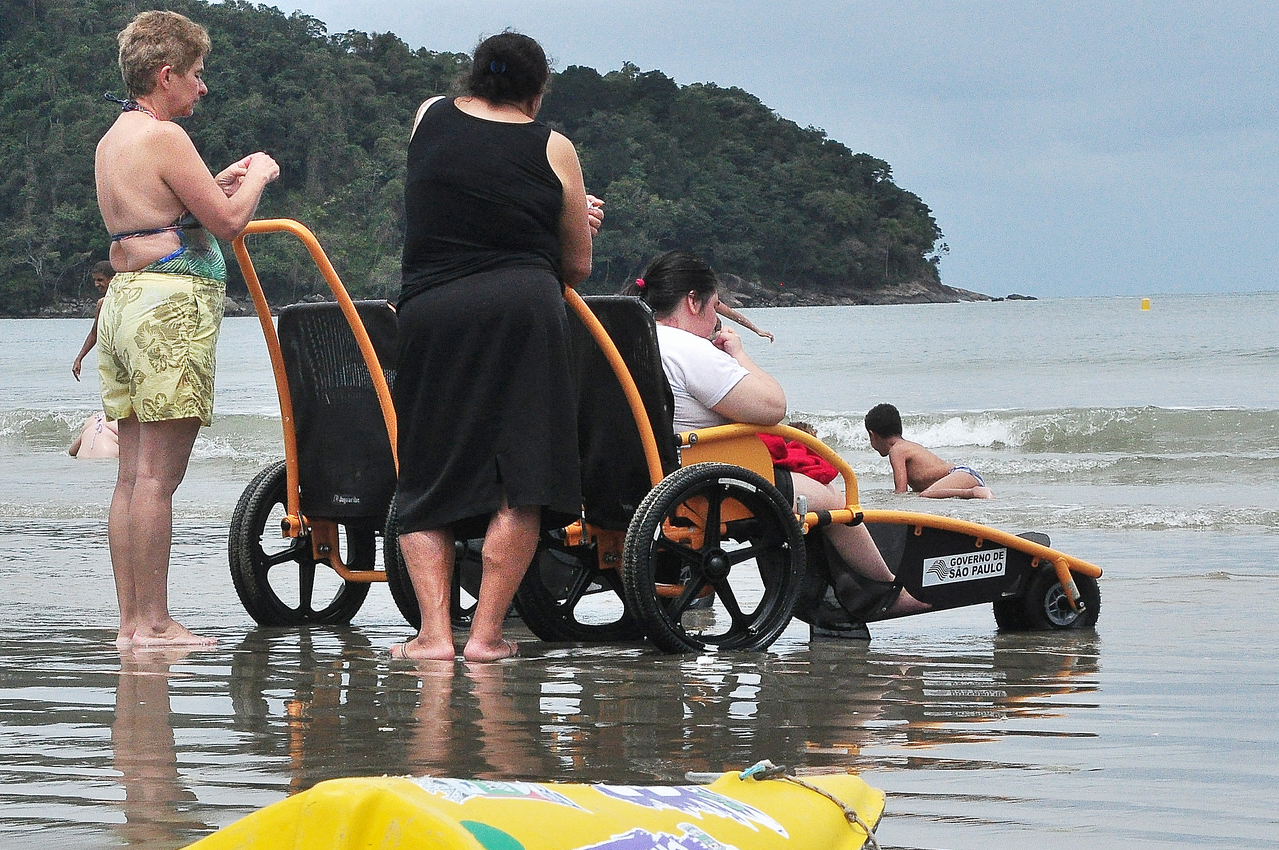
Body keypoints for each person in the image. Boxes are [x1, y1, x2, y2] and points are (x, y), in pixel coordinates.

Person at [392, 31, 602, 662]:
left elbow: (454, 194)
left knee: (426, 469)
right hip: (521, 310)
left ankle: (433, 636)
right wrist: (575, 219)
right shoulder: (553, 146)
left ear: (473, 78)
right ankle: (485, 639)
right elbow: (578, 266)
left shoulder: (429, 116)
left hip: (431, 310)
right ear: (537, 95)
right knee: (522, 477)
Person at [94, 9, 279, 649]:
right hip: (167, 306)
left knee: (130, 475)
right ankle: (155, 622)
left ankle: (130, 622)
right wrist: (257, 175)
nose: (203, 88)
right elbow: (227, 223)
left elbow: (167, 208)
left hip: (123, 302)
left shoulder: (116, 138)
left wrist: (222, 181)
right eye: (196, 75)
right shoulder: (167, 137)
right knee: (158, 479)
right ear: (165, 74)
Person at [634, 250, 927, 617]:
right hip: (705, 481)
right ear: (693, 301)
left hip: (644, 476)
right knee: (834, 496)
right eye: (714, 305)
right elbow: (773, 406)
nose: (714, 319)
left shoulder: (632, 343)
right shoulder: (688, 349)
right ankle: (886, 588)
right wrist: (740, 354)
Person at [867, 403, 991, 499]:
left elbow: (901, 491)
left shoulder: (897, 450)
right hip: (964, 476)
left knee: (926, 495)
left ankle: (973, 492)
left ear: (873, 435)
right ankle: (973, 492)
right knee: (924, 495)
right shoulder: (906, 446)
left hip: (960, 474)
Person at [70, 260, 115, 380]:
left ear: (111, 279)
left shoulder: (127, 299)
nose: (96, 284)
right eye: (95, 280)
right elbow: (94, 333)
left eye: (100, 280)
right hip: (112, 361)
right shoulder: (102, 303)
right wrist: (79, 359)